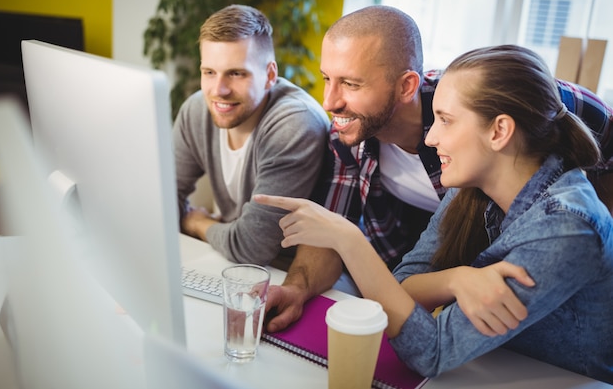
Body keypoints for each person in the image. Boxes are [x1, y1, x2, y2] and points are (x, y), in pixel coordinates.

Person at [256, 44, 613, 383]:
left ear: (499, 130)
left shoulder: (567, 225)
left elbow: (431, 350)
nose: (430, 139)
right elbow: (400, 287)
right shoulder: (470, 186)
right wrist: (452, 279)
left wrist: (347, 239)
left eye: (445, 120)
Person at [173, 4, 329, 266]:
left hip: (291, 272)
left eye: (236, 73)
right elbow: (163, 199)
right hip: (229, 259)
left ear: (269, 75)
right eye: (209, 72)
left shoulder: (295, 124)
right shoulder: (197, 110)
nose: (218, 90)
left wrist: (198, 222)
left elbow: (252, 247)